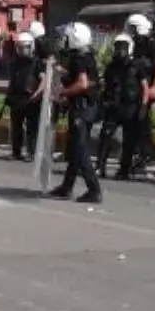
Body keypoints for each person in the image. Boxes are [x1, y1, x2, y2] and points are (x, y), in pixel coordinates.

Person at [48, 22, 102, 204]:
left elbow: (82, 83)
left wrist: (63, 93)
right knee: (74, 148)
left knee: (80, 150)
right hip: (87, 107)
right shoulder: (86, 56)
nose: (64, 40)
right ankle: (66, 187)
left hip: (82, 108)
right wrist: (57, 70)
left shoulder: (79, 58)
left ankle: (94, 190)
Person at [96, 34, 149, 179]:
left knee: (129, 140)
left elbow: (145, 87)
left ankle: (124, 169)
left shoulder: (137, 66)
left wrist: (143, 106)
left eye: (123, 48)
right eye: (118, 47)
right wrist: (103, 99)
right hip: (113, 106)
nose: (120, 51)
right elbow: (105, 85)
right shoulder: (111, 66)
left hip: (130, 107)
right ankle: (100, 166)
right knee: (106, 135)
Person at [125, 14, 155, 175]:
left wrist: (154, 87)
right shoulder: (131, 44)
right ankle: (138, 154)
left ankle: (144, 155)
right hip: (134, 90)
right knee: (136, 122)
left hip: (146, 88)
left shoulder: (149, 44)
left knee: (142, 122)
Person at [6, 31, 44, 161]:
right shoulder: (15, 63)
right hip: (17, 98)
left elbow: (44, 80)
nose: (22, 50)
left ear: (31, 46)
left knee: (32, 128)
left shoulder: (36, 62)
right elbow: (12, 79)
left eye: (25, 47)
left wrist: (37, 94)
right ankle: (16, 151)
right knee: (16, 126)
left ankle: (31, 152)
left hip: (31, 99)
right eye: (20, 47)